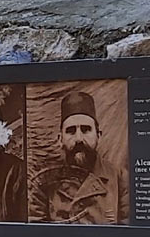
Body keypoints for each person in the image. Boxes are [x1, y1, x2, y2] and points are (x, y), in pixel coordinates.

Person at [29, 91, 130, 224]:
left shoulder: (120, 178)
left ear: (98, 135)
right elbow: (37, 235)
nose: (78, 139)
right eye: (71, 131)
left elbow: (126, 235)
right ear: (60, 139)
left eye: (86, 129)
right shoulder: (43, 183)